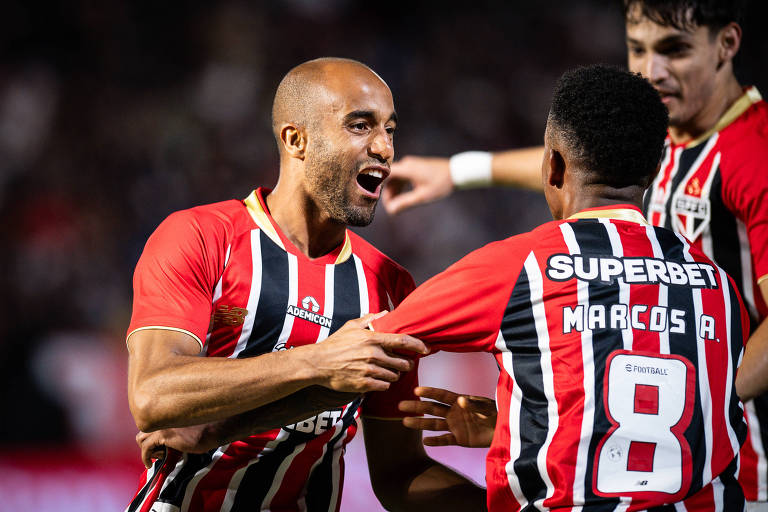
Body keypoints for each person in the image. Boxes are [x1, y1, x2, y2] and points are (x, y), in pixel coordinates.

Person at [385, 0, 768, 505]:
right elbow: (586, 160)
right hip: (663, 434)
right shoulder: (665, 135)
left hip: (740, 458)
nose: (651, 71)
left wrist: (696, 399)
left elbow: (375, 344)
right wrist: (459, 171)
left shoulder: (753, 156)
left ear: (728, 44)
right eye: (637, 48)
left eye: (674, 50)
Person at [125, 57, 486, 512]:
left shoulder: (389, 286)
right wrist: (317, 362)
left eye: (390, 131)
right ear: (297, 140)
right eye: (360, 126)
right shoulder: (202, 236)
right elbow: (154, 394)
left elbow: (400, 472)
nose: (385, 149)